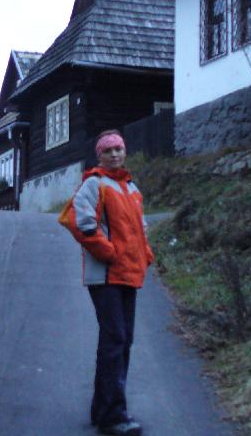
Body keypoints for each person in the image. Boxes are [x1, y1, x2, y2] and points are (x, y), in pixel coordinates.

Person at [58, 130, 154, 436]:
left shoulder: (131, 187)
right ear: (99, 155)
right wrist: (109, 253)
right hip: (107, 275)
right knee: (115, 340)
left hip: (128, 273)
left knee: (122, 341)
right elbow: (80, 222)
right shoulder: (94, 184)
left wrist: (145, 254)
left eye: (118, 149)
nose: (114, 154)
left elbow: (140, 228)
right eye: (108, 150)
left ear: (125, 152)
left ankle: (103, 409)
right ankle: (113, 416)